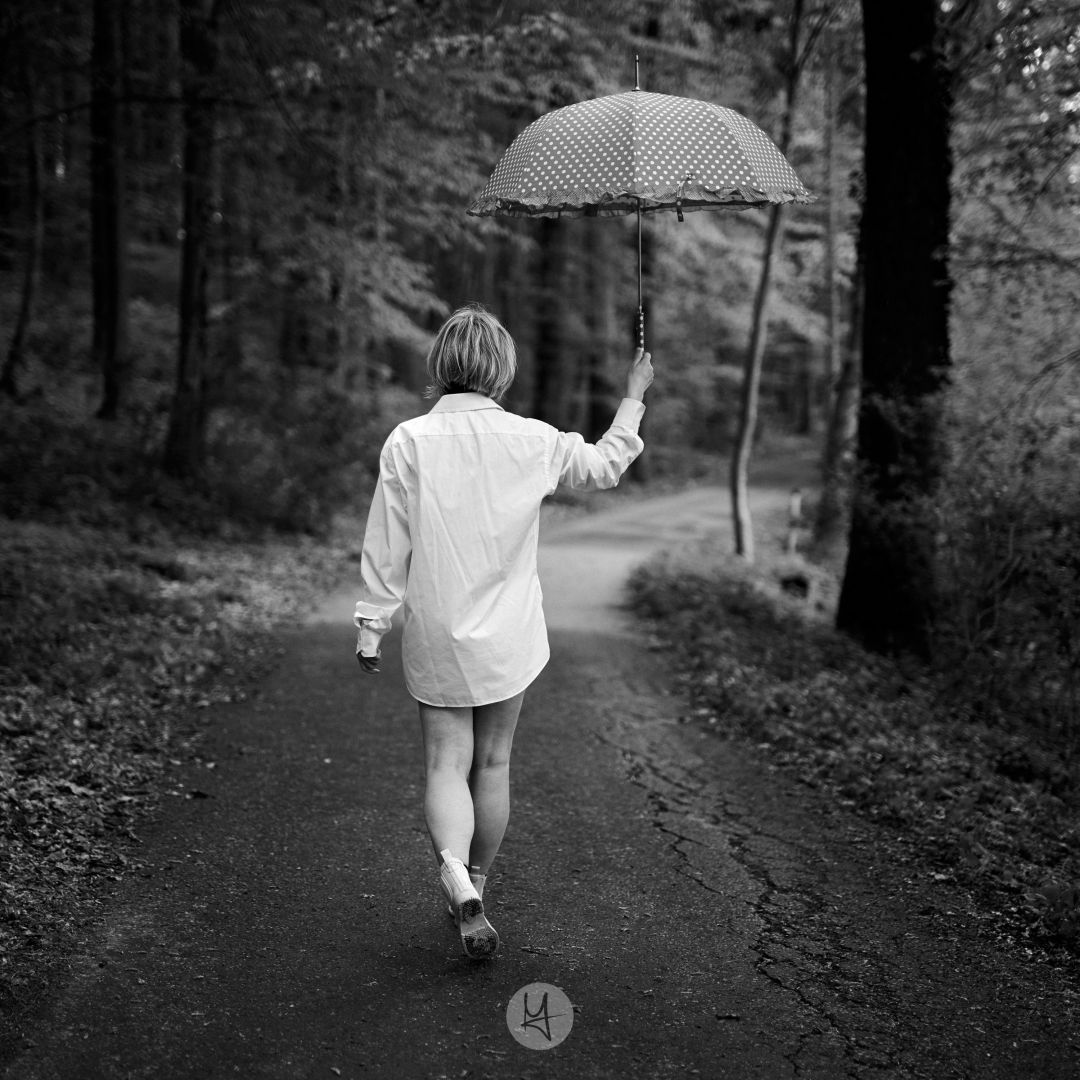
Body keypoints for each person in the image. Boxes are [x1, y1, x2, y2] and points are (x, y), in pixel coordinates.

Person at [354, 303, 653, 960]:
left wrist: (373, 624)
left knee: (444, 762)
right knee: (492, 763)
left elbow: (386, 543)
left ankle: (454, 871)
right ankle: (477, 881)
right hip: (509, 635)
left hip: (438, 630)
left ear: (442, 367)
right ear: (502, 369)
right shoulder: (534, 439)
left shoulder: (407, 441)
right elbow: (604, 467)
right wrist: (632, 398)